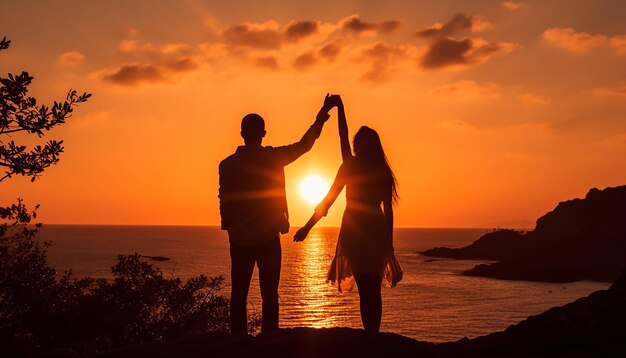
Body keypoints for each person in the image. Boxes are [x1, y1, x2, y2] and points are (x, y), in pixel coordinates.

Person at [219, 94, 334, 334]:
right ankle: (269, 339)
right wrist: (321, 117)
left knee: (238, 293)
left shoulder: (227, 164)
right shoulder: (273, 158)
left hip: (239, 237)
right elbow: (305, 145)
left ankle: (238, 339)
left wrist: (229, 226)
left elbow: (225, 199)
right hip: (268, 236)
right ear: (263, 133)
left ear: (242, 134)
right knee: (269, 293)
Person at [294, 95, 403, 332]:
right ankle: (372, 334)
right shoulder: (375, 170)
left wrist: (307, 227)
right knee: (370, 286)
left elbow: (328, 202)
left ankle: (370, 335)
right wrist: (307, 226)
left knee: (368, 286)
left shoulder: (352, 166)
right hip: (369, 228)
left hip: (359, 228)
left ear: (361, 146)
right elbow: (330, 201)